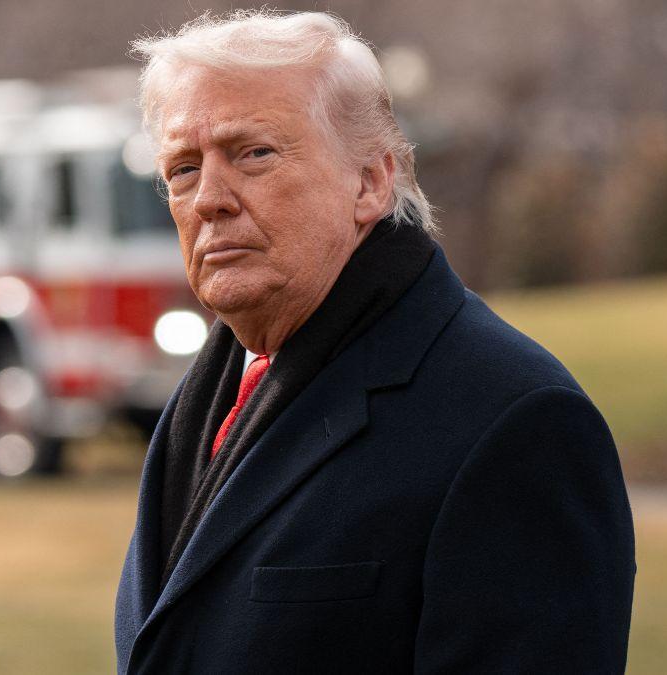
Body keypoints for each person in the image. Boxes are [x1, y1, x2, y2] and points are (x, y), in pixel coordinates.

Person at [115, 10, 635, 674]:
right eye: (183, 169)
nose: (210, 197)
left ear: (371, 180)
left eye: (253, 153)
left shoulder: (516, 420)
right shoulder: (212, 389)